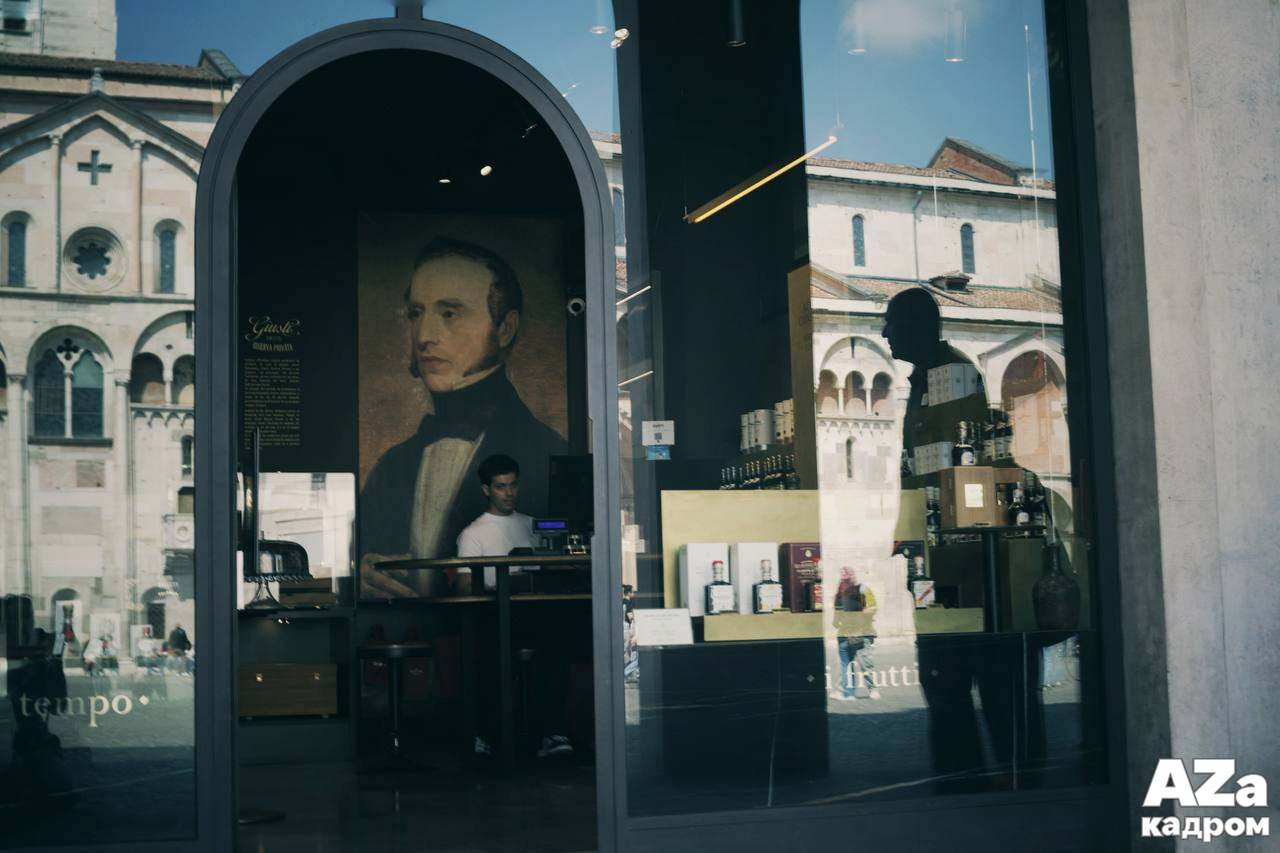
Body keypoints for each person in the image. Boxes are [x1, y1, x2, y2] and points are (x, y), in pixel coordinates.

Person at [882, 287, 1043, 791]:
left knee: (973, 677)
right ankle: (969, 779)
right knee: (953, 679)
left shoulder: (949, 374)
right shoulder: (930, 376)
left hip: (963, 558)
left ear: (917, 326)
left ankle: (983, 781)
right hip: (946, 554)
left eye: (892, 323)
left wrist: (921, 538)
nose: (884, 334)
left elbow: (956, 466)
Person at [359, 238, 567, 599]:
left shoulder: (548, 453)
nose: (424, 336)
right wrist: (362, 575)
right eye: (416, 313)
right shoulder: (391, 467)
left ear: (505, 327)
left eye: (450, 313)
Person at [457, 454, 579, 759]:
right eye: (501, 487)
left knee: (558, 643)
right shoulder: (472, 533)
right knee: (491, 654)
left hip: (535, 613)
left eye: (513, 485)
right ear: (486, 489)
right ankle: (489, 735)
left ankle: (551, 733)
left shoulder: (531, 525)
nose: (509, 493)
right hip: (494, 614)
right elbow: (463, 586)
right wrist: (503, 583)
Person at [832, 567, 878, 701]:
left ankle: (869, 689)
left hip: (861, 632)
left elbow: (873, 607)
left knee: (864, 664)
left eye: (846, 578)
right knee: (848, 665)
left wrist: (858, 613)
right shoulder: (841, 594)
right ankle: (848, 692)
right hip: (848, 634)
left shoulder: (862, 589)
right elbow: (836, 617)